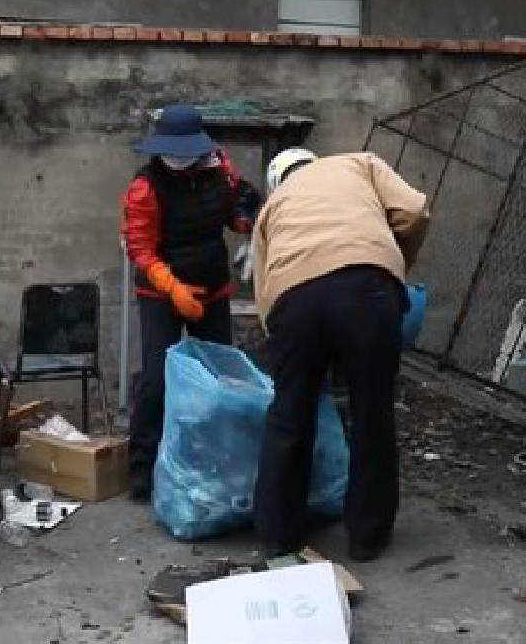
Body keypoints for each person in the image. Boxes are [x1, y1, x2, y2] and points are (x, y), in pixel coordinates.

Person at [251, 148, 429, 561]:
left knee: (290, 414)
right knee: (372, 412)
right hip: (367, 289)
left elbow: (264, 292)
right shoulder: (359, 163)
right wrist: (395, 259)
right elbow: (415, 210)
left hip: (294, 300)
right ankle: (367, 537)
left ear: (278, 180)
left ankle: (279, 535)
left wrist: (285, 349)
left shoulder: (271, 208)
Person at [121, 104, 261, 500]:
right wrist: (173, 288)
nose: (179, 159)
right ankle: (143, 469)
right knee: (156, 380)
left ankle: (217, 460)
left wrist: (253, 220)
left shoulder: (222, 173)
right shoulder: (145, 187)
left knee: (220, 378)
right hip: (160, 292)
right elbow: (141, 249)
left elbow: (238, 217)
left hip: (213, 287)